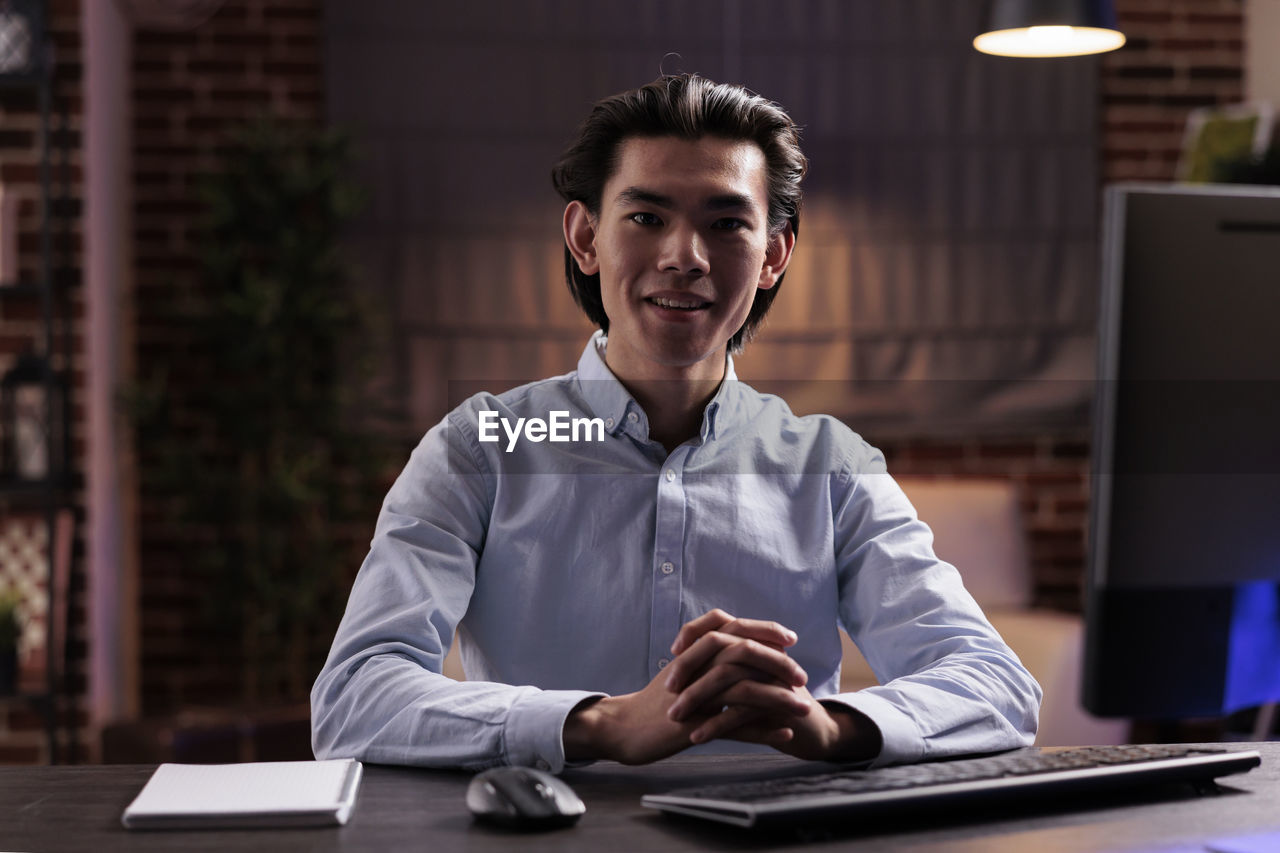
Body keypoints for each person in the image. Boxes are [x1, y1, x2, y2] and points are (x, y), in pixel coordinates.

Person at [311, 74, 1040, 773]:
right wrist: (599, 723)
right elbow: (353, 698)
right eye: (647, 217)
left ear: (773, 255)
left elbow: (998, 687)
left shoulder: (833, 466)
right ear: (586, 237)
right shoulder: (481, 447)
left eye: (725, 223)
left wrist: (829, 725)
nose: (683, 257)